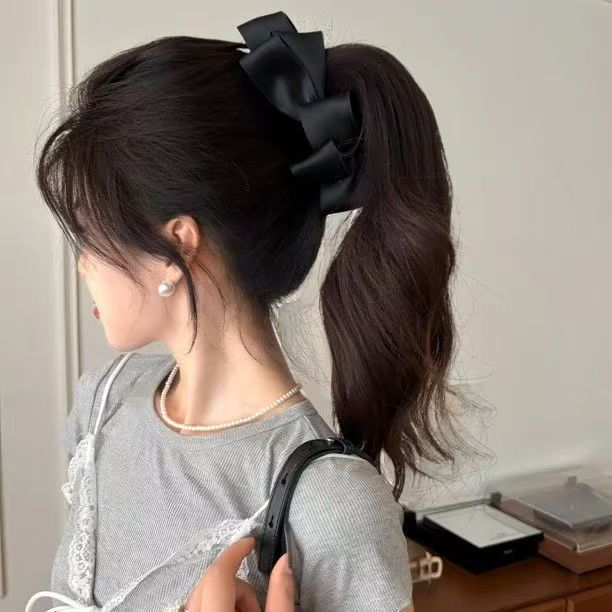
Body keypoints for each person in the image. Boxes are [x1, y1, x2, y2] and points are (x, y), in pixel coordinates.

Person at [27, 9, 457, 612]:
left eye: (91, 239)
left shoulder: (332, 506)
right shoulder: (104, 404)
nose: (82, 266)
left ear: (178, 245)